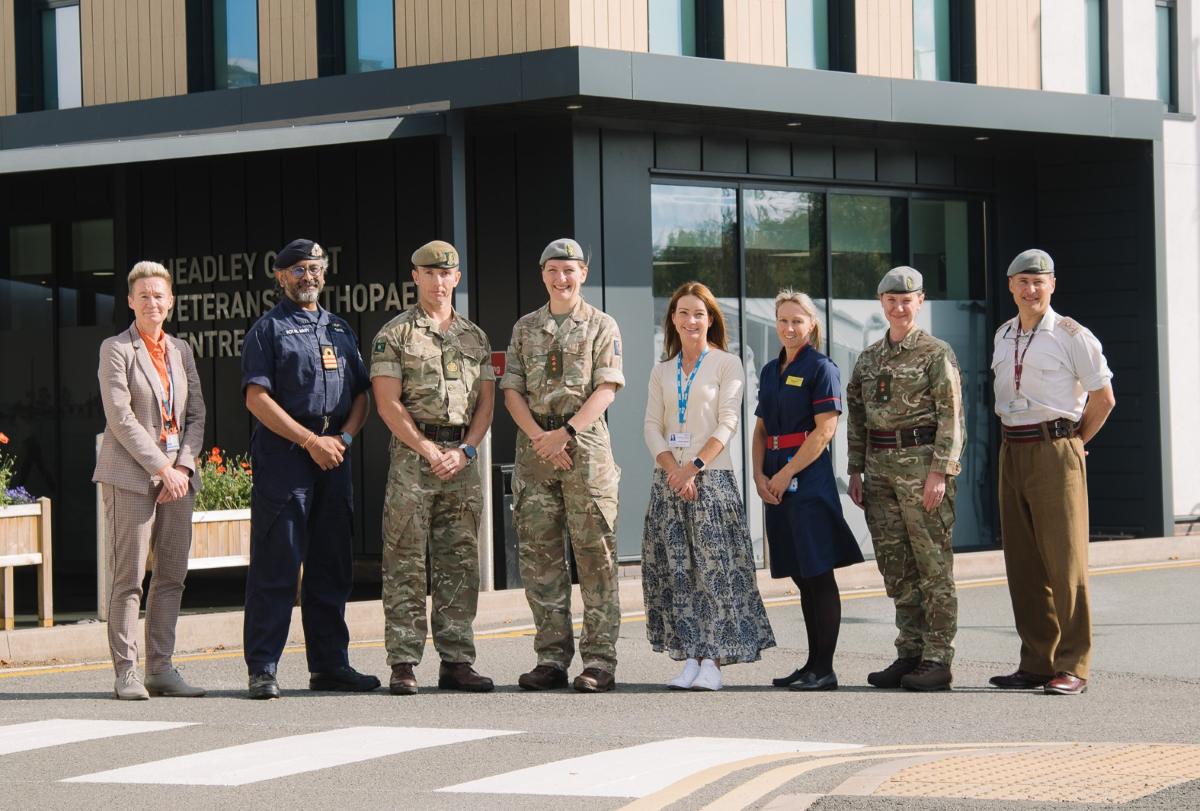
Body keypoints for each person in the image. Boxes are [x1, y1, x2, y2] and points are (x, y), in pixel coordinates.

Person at [240, 238, 379, 699]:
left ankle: (329, 665)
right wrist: (308, 441)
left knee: (331, 565)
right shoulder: (268, 330)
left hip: (334, 454)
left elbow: (361, 394)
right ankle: (263, 667)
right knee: (277, 565)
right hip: (286, 457)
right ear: (280, 277)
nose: (308, 276)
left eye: (314, 268)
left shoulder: (339, 328)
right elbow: (256, 398)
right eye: (297, 269)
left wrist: (343, 439)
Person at [370, 240, 495, 696]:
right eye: (430, 273)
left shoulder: (475, 337)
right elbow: (387, 402)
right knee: (404, 559)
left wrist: (466, 451)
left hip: (461, 460)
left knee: (460, 560)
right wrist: (426, 448)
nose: (439, 282)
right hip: (413, 459)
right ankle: (403, 661)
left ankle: (457, 660)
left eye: (447, 274)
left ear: (456, 278)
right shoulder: (396, 334)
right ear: (415, 277)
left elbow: (485, 404)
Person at [500, 238, 624, 693]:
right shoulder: (525, 328)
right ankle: (550, 658)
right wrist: (540, 437)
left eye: (569, 270)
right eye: (553, 270)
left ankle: (599, 661)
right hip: (535, 450)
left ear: (583, 274)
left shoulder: (601, 325)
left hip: (585, 446)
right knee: (540, 557)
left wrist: (564, 434)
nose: (561, 278)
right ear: (543, 275)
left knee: (595, 557)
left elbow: (607, 388)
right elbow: (511, 389)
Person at [989, 249, 1115, 696]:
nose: (1031, 289)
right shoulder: (1004, 334)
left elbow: (1104, 398)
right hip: (1012, 449)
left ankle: (1073, 665)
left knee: (1066, 565)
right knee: (1023, 564)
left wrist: (1074, 443)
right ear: (1011, 287)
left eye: (1039, 282)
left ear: (1053, 285)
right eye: (1023, 281)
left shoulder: (1072, 335)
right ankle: (1037, 662)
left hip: (1056, 448)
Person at [641, 282, 775, 692]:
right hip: (670, 482)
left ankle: (714, 661)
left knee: (715, 572)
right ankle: (690, 657)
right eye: (682, 313)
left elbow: (728, 422)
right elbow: (651, 425)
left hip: (711, 480)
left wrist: (694, 468)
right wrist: (673, 470)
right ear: (673, 321)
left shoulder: (726, 363)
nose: (690, 320)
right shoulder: (662, 370)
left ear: (710, 319)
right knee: (678, 573)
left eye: (698, 313)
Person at [847, 267, 965, 692]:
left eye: (907, 299)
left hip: (922, 467)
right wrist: (855, 469)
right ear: (882, 303)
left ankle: (937, 659)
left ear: (920, 301)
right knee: (896, 567)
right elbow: (857, 416)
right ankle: (909, 653)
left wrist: (940, 472)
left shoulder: (936, 353)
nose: (899, 306)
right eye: (891, 299)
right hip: (878, 470)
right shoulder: (869, 358)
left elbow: (952, 416)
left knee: (932, 566)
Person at [94, 261, 206, 700]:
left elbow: (195, 414)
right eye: (144, 295)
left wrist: (181, 467)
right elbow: (120, 417)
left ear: (171, 301)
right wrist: (161, 466)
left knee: (172, 575)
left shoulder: (181, 350)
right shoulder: (116, 349)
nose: (152, 302)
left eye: (159, 295)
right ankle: (126, 672)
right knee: (128, 578)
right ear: (130, 301)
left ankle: (161, 667)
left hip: (177, 477)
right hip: (133, 478)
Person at [754, 289, 863, 692]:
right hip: (776, 477)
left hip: (808, 480)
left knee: (818, 574)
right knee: (800, 574)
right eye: (783, 320)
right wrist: (759, 475)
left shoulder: (822, 368)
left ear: (811, 324)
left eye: (797, 320)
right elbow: (762, 428)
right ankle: (811, 664)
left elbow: (825, 430)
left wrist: (785, 475)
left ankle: (825, 667)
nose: (789, 327)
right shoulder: (770, 370)